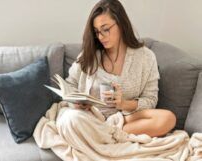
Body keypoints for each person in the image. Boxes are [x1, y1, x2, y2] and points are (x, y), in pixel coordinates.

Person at [61, 0, 176, 137]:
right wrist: (77, 103)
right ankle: (107, 135)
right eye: (97, 32)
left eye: (106, 29)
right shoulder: (89, 55)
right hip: (90, 117)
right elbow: (70, 85)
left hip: (125, 119)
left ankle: (104, 135)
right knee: (69, 119)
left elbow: (150, 99)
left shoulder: (146, 57)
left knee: (168, 118)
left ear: (121, 24)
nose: (101, 37)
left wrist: (123, 104)